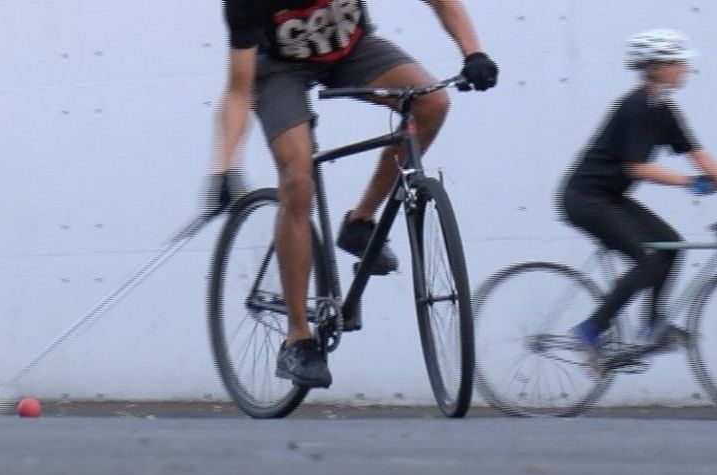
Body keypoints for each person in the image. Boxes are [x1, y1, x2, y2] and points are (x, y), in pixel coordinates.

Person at [205, 0, 498, 388]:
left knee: (432, 103)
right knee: (297, 177)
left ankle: (360, 222)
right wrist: (225, 167)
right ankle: (298, 337)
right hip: (278, 70)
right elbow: (239, 91)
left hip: (351, 50)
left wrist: (473, 52)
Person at [558, 28, 717, 373]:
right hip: (585, 199)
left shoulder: (663, 107)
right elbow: (636, 167)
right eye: (677, 63)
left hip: (609, 196)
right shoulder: (637, 105)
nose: (685, 69)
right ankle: (590, 330)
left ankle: (652, 325)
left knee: (671, 246)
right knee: (648, 258)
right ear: (655, 66)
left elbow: (698, 154)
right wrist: (690, 183)